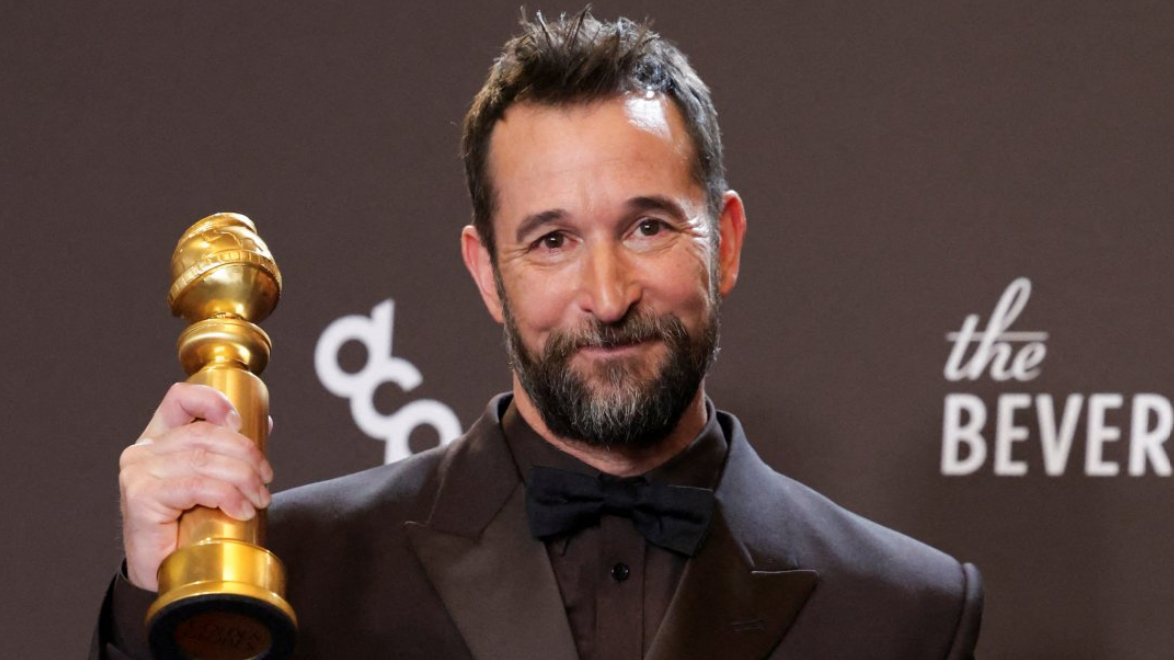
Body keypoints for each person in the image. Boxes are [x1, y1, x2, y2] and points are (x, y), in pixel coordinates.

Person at [93, 10, 983, 660]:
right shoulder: (295, 571)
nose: (605, 295)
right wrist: (152, 601)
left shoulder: (906, 610)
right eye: (552, 240)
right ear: (486, 271)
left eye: (647, 228)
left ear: (729, 242)